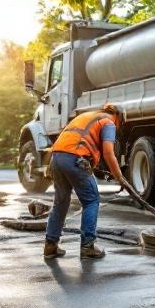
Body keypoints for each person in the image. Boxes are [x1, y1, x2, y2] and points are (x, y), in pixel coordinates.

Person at [44, 104, 126, 260]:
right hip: (75, 159)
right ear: (119, 117)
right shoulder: (109, 122)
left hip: (56, 159)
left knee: (61, 202)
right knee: (91, 201)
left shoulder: (86, 117)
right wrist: (119, 176)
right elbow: (109, 153)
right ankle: (88, 247)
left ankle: (50, 245)